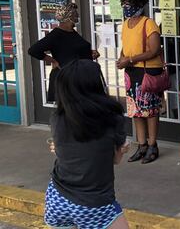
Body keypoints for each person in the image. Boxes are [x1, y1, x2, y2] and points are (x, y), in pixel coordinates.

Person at [44, 59, 130, 229]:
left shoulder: (57, 118)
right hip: (93, 203)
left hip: (56, 199)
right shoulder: (112, 119)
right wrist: (123, 148)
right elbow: (115, 160)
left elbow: (66, 151)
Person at [116, 0, 164, 164]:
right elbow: (125, 46)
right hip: (131, 72)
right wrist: (122, 58)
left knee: (150, 110)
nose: (126, 7)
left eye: (129, 4)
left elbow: (154, 50)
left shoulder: (148, 23)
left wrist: (129, 59)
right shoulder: (125, 24)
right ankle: (141, 145)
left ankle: (152, 145)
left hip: (148, 72)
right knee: (135, 111)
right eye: (124, 4)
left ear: (139, 5)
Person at [28, 3, 99, 103]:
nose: (78, 16)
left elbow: (71, 49)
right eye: (75, 14)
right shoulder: (56, 35)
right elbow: (33, 50)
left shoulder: (72, 32)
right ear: (68, 17)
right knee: (72, 113)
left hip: (81, 77)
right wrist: (53, 61)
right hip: (67, 79)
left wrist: (89, 53)